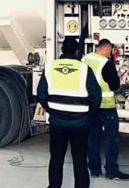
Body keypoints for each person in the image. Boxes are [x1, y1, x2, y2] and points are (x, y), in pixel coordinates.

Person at [37, 36, 101, 188]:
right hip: (80, 124)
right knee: (80, 160)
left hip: (57, 123)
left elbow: (41, 94)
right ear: (78, 51)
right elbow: (96, 96)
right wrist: (87, 113)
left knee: (56, 159)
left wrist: (52, 109)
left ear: (62, 50)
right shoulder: (84, 69)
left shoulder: (50, 67)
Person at [82, 38, 129, 180]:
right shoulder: (106, 63)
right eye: (110, 51)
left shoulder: (85, 59)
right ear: (107, 49)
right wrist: (118, 76)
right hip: (106, 106)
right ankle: (111, 171)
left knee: (92, 138)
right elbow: (114, 85)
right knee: (111, 139)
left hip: (90, 106)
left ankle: (94, 169)